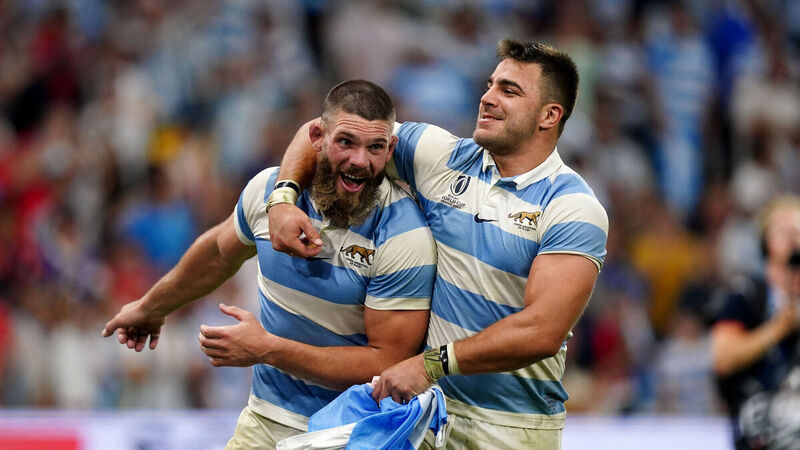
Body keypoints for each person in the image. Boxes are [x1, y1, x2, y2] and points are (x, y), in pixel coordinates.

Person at [268, 40, 609, 449]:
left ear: (549, 115)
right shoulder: (441, 157)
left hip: (512, 427)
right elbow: (328, 130)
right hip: (428, 414)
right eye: (490, 84)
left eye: (509, 90)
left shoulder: (572, 207)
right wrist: (282, 198)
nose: (488, 98)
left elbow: (541, 331)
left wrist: (431, 364)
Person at [101, 80, 437, 449]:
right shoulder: (268, 192)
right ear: (317, 137)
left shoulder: (403, 235)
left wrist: (267, 349)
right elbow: (217, 254)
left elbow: (388, 362)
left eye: (374, 147)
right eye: (346, 142)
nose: (360, 160)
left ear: (390, 150)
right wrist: (151, 307)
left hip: (355, 433)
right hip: (264, 420)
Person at [711, 195, 800, 449]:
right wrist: (778, 328)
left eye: (797, 228)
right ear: (765, 241)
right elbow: (723, 357)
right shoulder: (747, 295)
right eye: (782, 230)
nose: (793, 237)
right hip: (758, 432)